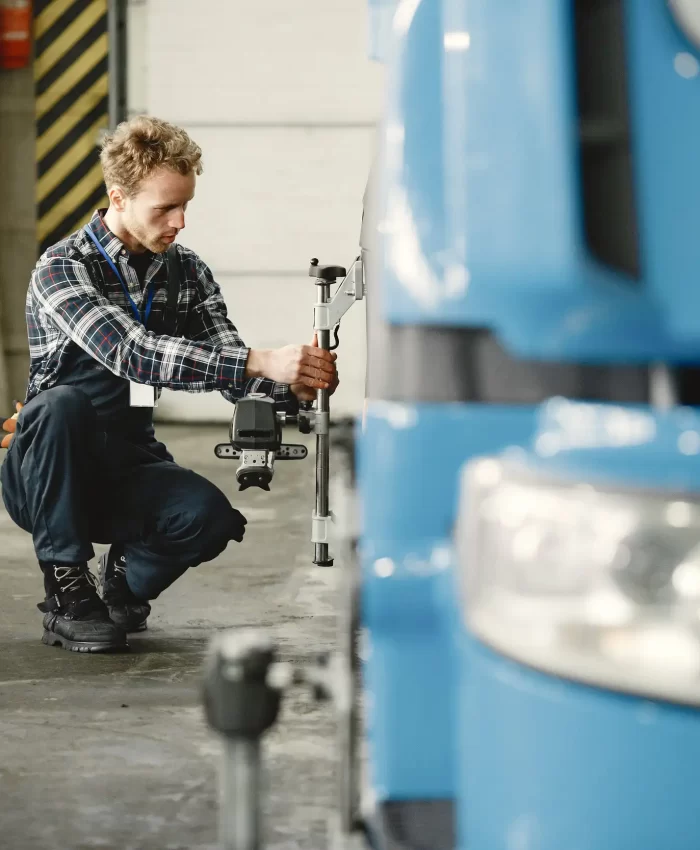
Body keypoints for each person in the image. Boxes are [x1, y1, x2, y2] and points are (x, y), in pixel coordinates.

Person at [0, 116, 338, 653]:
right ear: (118, 197)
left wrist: (291, 385)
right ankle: (66, 592)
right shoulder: (63, 269)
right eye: (165, 208)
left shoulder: (188, 273)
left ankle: (122, 581)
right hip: (48, 468)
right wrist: (262, 360)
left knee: (209, 517)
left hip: (129, 457)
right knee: (61, 406)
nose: (180, 221)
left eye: (186, 206)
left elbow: (230, 364)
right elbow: (131, 351)